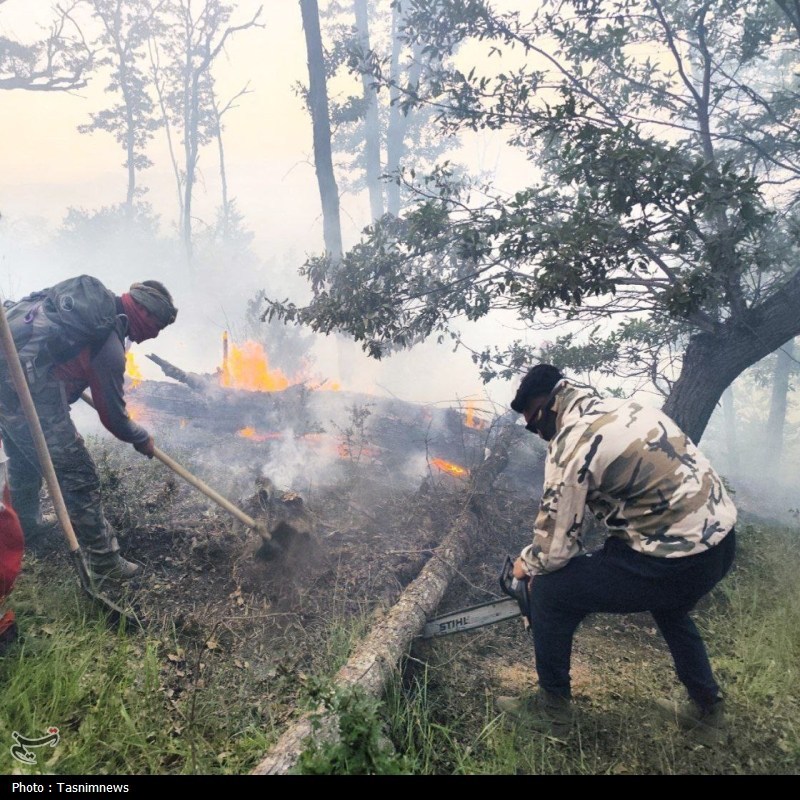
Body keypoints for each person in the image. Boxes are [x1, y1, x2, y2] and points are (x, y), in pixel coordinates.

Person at [497, 364, 737, 746]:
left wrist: (528, 563)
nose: (539, 435)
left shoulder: (573, 442)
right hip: (719, 545)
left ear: (548, 407)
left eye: (535, 425)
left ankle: (552, 711)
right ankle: (708, 713)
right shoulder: (628, 410)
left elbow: (554, 549)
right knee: (671, 607)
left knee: (551, 592)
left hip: (673, 559)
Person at [0, 277, 177, 582]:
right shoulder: (107, 343)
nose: (154, 336)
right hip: (26, 397)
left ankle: (26, 529)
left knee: (24, 462)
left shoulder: (90, 309)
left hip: (8, 385)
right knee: (78, 474)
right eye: (157, 327)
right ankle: (105, 562)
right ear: (144, 313)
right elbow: (114, 417)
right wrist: (141, 437)